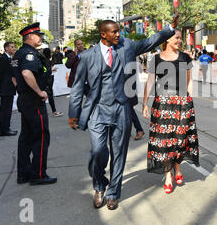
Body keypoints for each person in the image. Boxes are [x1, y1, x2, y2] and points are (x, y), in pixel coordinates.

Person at [68, 16, 179, 210]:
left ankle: (112, 193)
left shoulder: (126, 46)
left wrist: (170, 28)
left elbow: (149, 41)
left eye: (119, 31)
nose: (119, 34)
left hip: (121, 108)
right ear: (103, 34)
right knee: (97, 151)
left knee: (119, 153)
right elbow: (78, 87)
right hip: (97, 110)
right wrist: (73, 113)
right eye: (114, 32)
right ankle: (99, 185)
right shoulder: (87, 56)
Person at [142, 30, 199, 194]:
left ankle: (178, 167)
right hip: (162, 105)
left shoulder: (185, 57)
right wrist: (145, 103)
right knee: (165, 141)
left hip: (182, 104)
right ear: (167, 40)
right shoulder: (157, 59)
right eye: (177, 38)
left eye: (181, 38)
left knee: (179, 140)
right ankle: (168, 176)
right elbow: (150, 81)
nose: (180, 41)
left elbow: (189, 81)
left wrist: (189, 101)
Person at [11, 22, 57, 185]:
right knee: (41, 136)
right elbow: (25, 73)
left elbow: (14, 78)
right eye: (39, 35)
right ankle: (38, 175)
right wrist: (39, 92)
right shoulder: (30, 53)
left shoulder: (18, 54)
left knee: (26, 137)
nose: (41, 38)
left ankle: (23, 174)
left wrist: (23, 90)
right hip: (33, 100)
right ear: (29, 37)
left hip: (25, 99)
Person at [0, 41, 18, 136]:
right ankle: (4, 130)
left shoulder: (10, 59)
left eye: (14, 47)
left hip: (9, 87)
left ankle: (6, 128)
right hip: (5, 87)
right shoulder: (3, 59)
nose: (14, 49)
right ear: (6, 48)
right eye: (12, 47)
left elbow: (14, 70)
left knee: (8, 109)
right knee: (5, 109)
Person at [40, 48, 63, 117]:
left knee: (45, 96)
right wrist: (50, 71)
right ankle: (54, 111)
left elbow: (45, 70)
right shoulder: (46, 61)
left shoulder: (43, 60)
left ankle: (45, 111)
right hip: (47, 81)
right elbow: (45, 71)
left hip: (44, 80)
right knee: (49, 96)